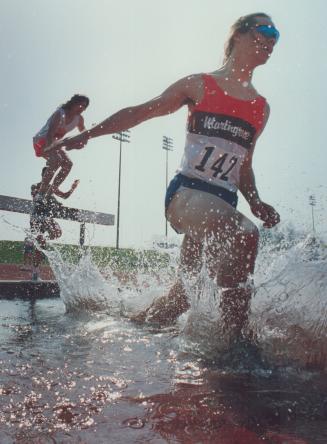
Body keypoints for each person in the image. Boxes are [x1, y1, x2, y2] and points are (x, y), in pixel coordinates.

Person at [62, 12, 281, 337]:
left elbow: (244, 166)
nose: (272, 39)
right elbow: (142, 111)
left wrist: (257, 201)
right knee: (245, 235)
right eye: (265, 29)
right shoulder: (200, 85)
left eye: (276, 36)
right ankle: (235, 346)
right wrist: (89, 134)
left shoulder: (261, 108)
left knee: (182, 298)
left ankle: (124, 323)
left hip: (221, 205)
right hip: (187, 195)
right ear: (239, 34)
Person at [33, 94, 89, 204]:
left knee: (68, 164)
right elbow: (50, 134)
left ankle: (50, 194)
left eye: (84, 106)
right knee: (56, 160)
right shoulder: (60, 113)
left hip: (55, 144)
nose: (82, 108)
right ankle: (40, 195)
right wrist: (51, 152)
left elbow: (85, 135)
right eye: (80, 104)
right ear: (73, 103)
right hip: (42, 141)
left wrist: (78, 145)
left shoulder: (79, 119)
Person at [28, 167, 80, 280]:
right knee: (39, 243)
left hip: (46, 217)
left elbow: (65, 196)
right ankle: (35, 271)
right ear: (43, 176)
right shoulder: (35, 186)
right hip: (37, 217)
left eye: (51, 175)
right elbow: (37, 197)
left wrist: (72, 188)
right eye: (48, 175)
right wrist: (53, 202)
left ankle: (42, 241)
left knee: (57, 233)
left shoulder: (52, 187)